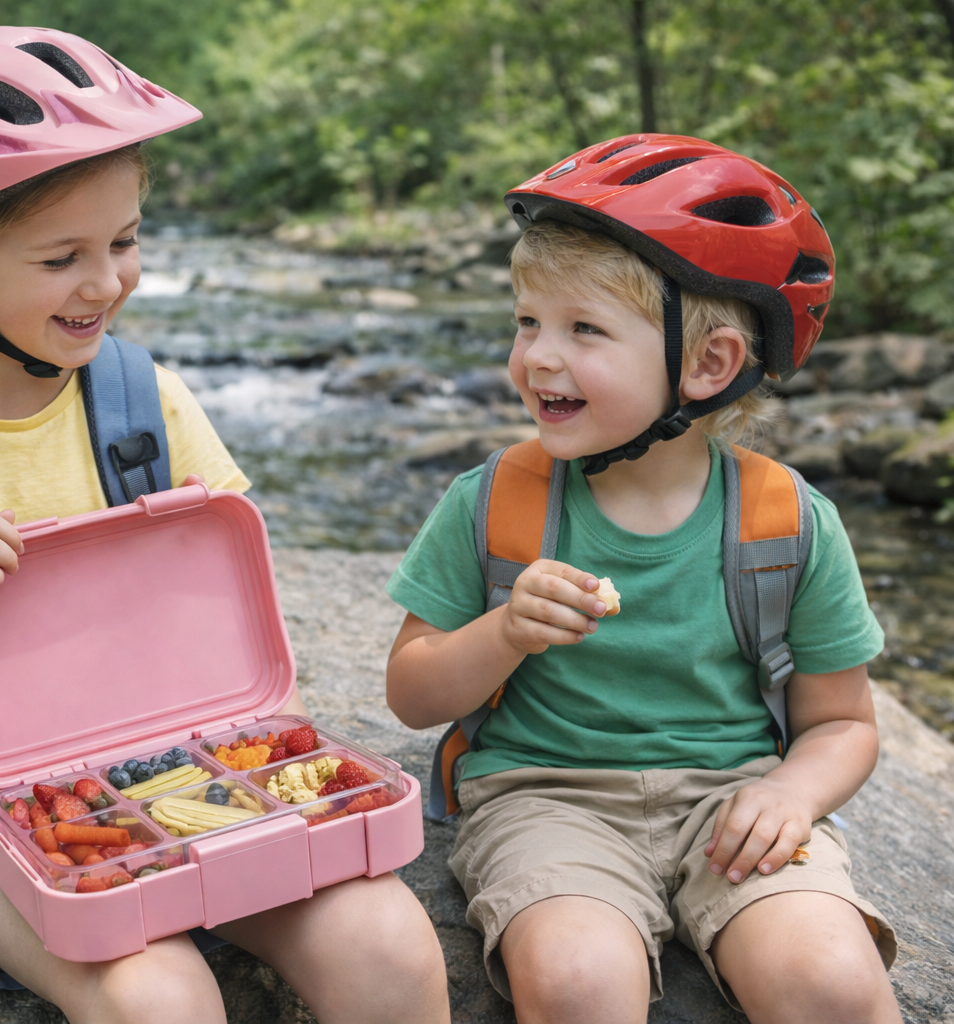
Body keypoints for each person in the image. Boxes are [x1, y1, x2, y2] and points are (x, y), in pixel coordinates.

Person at [0, 27, 449, 1024]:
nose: (107, 283)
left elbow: (223, 617)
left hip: (170, 758)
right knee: (157, 998)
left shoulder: (145, 401)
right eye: (63, 257)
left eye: (124, 242)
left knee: (386, 944)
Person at [385, 135, 899, 1024]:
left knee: (833, 983)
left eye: (583, 329)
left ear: (709, 364)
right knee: (577, 982)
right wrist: (503, 632)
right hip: (546, 798)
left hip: (732, 800)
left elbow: (843, 723)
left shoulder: (785, 521)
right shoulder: (494, 502)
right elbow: (412, 694)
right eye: (527, 322)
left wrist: (791, 793)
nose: (537, 357)